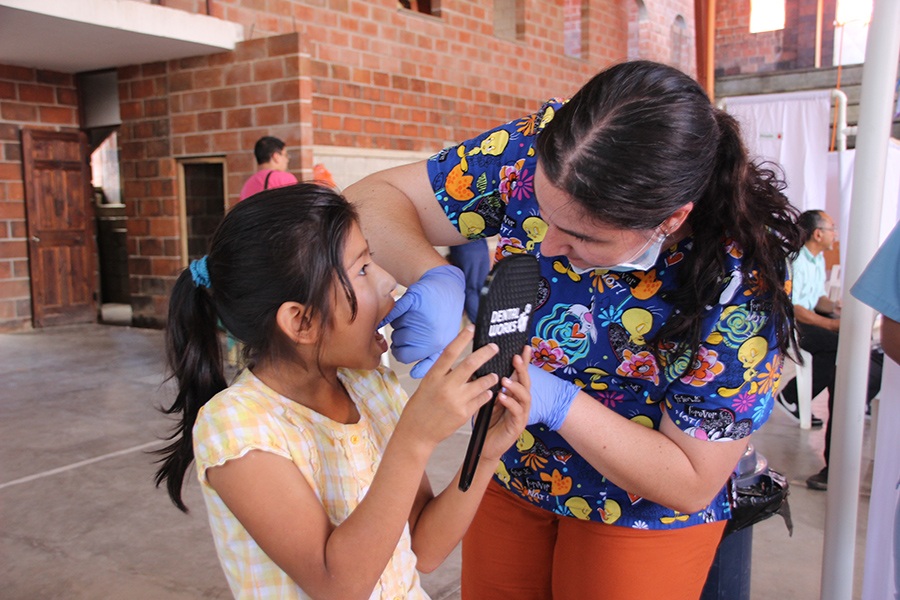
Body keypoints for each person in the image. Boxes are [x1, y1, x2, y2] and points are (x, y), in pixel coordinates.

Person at [345, 60, 804, 599]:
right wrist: (435, 275)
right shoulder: (540, 152)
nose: (544, 245)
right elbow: (371, 199)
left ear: (670, 220)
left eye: (581, 236)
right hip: (509, 467)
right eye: (543, 214)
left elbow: (691, 479)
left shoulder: (740, 281)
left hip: (639, 512)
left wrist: (558, 402)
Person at [153, 184, 533, 599]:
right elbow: (339, 586)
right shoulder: (238, 427)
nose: (389, 281)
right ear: (301, 322)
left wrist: (486, 450)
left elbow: (422, 548)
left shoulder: (370, 386)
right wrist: (415, 438)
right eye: (363, 269)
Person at [776, 209, 883, 490]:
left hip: (810, 321)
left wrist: (836, 311)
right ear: (818, 233)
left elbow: (816, 298)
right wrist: (832, 325)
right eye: (832, 228)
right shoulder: (796, 260)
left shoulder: (817, 258)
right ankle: (791, 395)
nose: (835, 234)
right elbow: (796, 308)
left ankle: (795, 398)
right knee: (841, 344)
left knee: (843, 345)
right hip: (794, 326)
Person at [238, 136, 299, 201]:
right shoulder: (285, 178)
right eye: (285, 155)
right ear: (276, 156)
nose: (287, 160)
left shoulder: (247, 185)